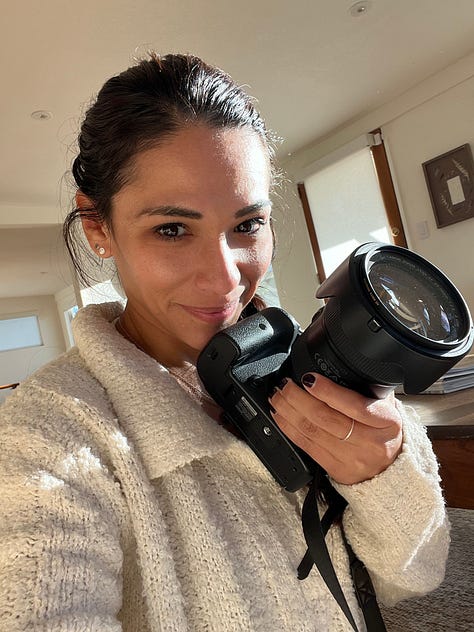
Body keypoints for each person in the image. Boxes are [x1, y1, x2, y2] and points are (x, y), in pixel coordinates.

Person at [0, 53, 449, 632]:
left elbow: (413, 579)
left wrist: (381, 476)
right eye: (171, 229)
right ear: (97, 227)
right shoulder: (48, 434)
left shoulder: (324, 366)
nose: (226, 278)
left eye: (247, 224)